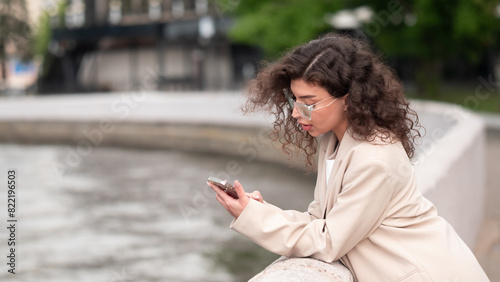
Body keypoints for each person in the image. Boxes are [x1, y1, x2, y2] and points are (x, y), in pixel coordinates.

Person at [207, 33, 489, 281]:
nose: (295, 113)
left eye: (309, 104)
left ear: (347, 98)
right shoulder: (334, 141)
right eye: (294, 101)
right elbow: (320, 219)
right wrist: (260, 210)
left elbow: (329, 242)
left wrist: (253, 219)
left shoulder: (374, 159)